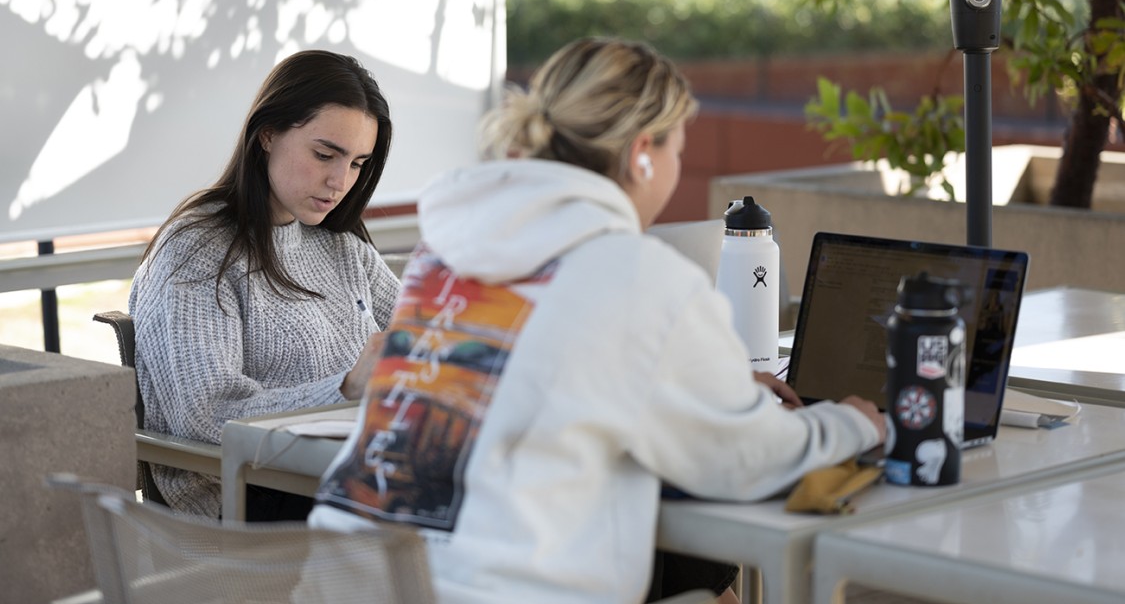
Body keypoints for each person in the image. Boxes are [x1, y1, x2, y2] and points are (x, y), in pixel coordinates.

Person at [309, 37, 884, 603]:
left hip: (349, 583)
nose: (675, 170)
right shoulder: (635, 272)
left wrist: (699, 388)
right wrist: (855, 424)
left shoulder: (444, 252)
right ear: (641, 153)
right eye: (675, 152)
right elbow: (747, 460)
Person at [129, 49, 401, 520]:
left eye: (358, 163)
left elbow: (421, 334)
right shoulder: (198, 249)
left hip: (338, 477)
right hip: (246, 498)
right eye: (324, 154)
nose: (340, 181)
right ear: (268, 134)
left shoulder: (341, 247)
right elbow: (205, 416)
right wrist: (347, 387)